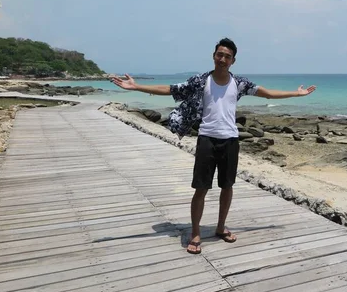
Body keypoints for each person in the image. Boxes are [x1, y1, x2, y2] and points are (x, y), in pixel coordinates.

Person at [111, 38, 316, 254]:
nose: (223, 59)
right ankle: (196, 232)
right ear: (214, 56)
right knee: (201, 188)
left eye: (227, 56)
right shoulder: (200, 81)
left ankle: (220, 227)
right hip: (207, 139)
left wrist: (295, 93)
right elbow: (169, 89)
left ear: (233, 61)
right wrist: (135, 87)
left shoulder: (240, 83)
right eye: (220, 54)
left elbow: (267, 93)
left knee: (227, 187)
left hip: (230, 140)